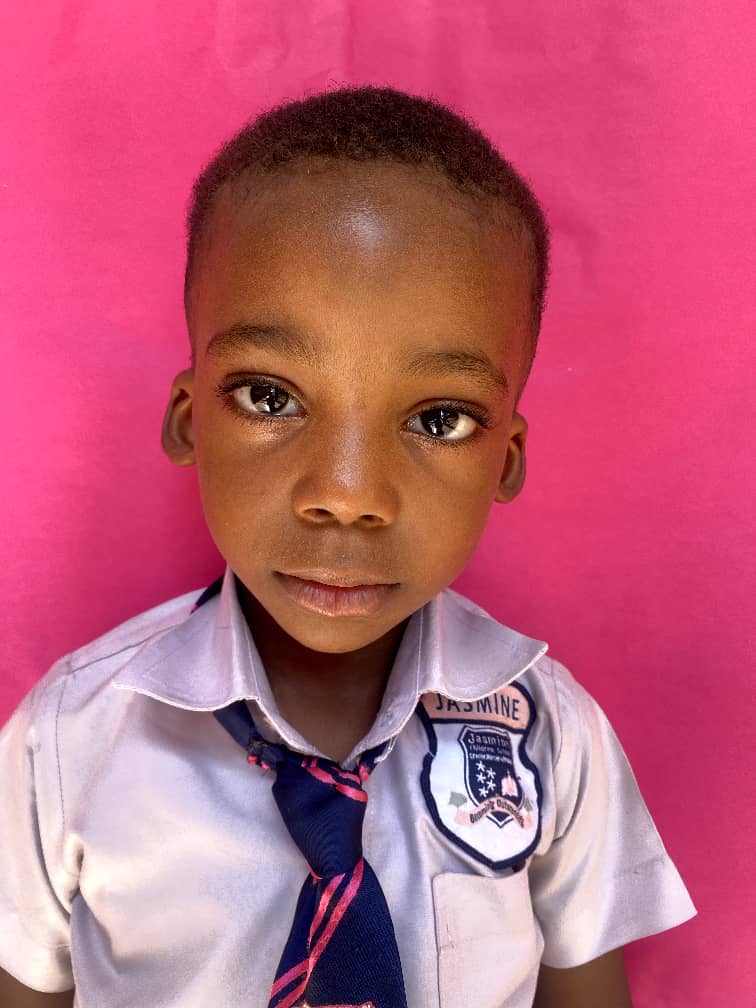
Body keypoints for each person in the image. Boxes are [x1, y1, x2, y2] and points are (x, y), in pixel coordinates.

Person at [0, 85, 695, 1008]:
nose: (348, 493)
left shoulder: (556, 739)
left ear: (506, 460)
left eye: (440, 419)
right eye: (270, 397)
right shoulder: (69, 738)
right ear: (189, 419)